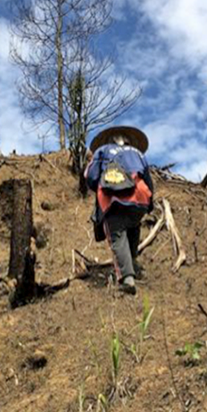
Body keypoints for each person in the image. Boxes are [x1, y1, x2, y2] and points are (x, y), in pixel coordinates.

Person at [84, 126, 154, 295]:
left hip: (114, 198)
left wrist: (97, 187)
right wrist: (150, 202)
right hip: (140, 197)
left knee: (116, 234)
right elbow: (148, 178)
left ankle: (127, 279)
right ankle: (132, 263)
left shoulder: (102, 151)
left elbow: (91, 176)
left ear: (110, 140)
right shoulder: (138, 154)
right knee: (133, 225)